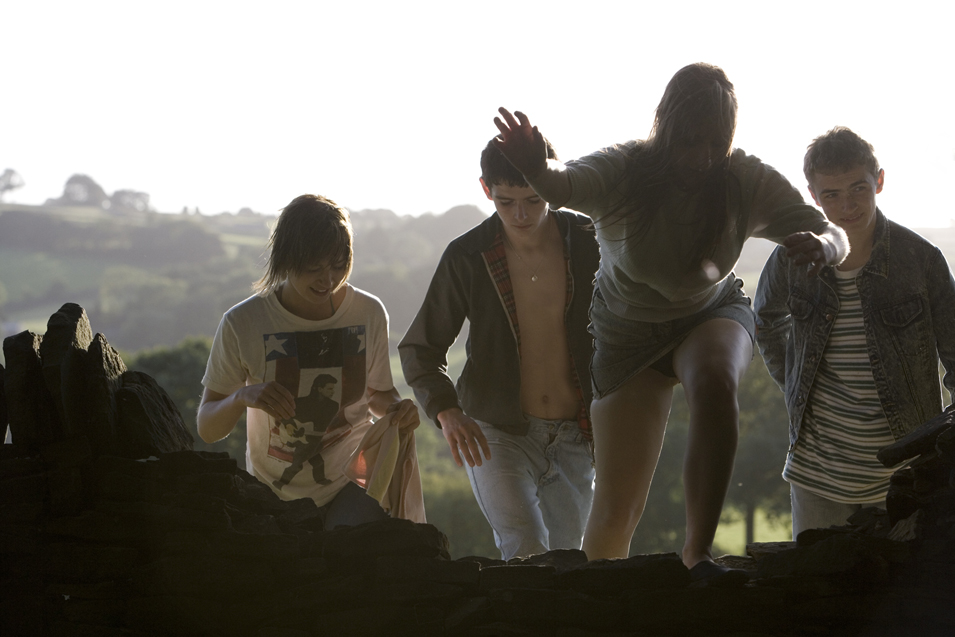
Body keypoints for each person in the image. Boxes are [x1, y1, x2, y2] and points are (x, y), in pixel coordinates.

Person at [491, 62, 849, 583]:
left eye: (715, 143)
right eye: (690, 141)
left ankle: (697, 554)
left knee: (716, 382)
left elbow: (832, 232)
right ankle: (595, 605)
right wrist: (534, 167)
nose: (702, 157)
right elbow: (563, 183)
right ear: (666, 128)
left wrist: (823, 247)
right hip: (627, 336)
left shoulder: (743, 179)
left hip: (711, 313)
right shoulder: (623, 169)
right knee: (616, 513)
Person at [399, 138, 600, 560]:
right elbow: (420, 347)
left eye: (533, 199)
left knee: (569, 561)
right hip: (494, 432)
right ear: (486, 189)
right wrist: (446, 411)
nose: (521, 214)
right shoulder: (467, 255)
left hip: (577, 434)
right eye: (506, 202)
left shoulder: (588, 242)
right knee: (524, 548)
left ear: (551, 184)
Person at [754, 127, 955, 538]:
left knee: (909, 580)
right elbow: (765, 321)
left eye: (858, 188)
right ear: (813, 196)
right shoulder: (791, 257)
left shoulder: (921, 260)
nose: (847, 205)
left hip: (907, 476)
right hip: (816, 476)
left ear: (878, 181)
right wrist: (794, 383)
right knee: (819, 581)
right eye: (831, 194)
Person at [198, 194, 420, 529]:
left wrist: (399, 410)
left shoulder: (369, 313)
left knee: (342, 551)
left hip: (354, 482)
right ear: (285, 258)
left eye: (338, 266)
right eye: (313, 268)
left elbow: (378, 394)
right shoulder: (242, 323)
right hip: (271, 493)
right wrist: (242, 397)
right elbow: (208, 428)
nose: (327, 280)